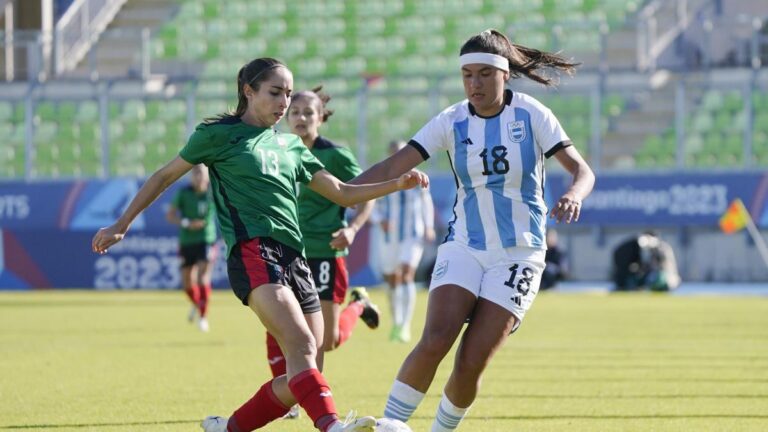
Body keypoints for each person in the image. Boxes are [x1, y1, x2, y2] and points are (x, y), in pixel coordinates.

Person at [91, 57, 429, 432]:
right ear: (248, 91)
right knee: (301, 345)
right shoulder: (218, 135)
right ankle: (332, 426)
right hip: (253, 252)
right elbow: (164, 176)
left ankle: (229, 428)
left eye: (287, 93)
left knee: (305, 368)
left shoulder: (291, 146)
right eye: (276, 93)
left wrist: (396, 184)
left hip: (296, 260)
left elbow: (344, 193)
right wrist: (122, 223)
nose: (284, 102)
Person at [349, 29, 595, 431]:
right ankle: (390, 426)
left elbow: (583, 171)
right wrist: (340, 192)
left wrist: (575, 195)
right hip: (465, 243)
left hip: (520, 254)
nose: (474, 84)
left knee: (470, 361)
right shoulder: (452, 119)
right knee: (435, 338)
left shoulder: (532, 114)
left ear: (504, 75)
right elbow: (391, 167)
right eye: (467, 76)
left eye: (484, 74)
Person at [267, 86, 380, 419]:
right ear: (287, 117)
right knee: (280, 323)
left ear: (320, 118)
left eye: (308, 113)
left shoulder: (335, 156)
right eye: (295, 113)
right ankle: (300, 396)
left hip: (325, 253)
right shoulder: (276, 150)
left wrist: (353, 229)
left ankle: (358, 304)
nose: (301, 118)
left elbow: (363, 194)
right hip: (286, 251)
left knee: (326, 341)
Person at [373, 140, 435, 343]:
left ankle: (404, 325)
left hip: (412, 234)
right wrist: (379, 219)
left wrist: (429, 226)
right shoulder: (383, 177)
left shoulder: (419, 178)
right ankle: (396, 321)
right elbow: (372, 203)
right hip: (389, 237)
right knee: (392, 278)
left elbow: (427, 203)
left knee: (407, 274)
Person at [165, 164, 217, 332]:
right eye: (195, 174)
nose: (198, 177)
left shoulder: (212, 192)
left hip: (206, 239)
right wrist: (187, 223)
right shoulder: (184, 193)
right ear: (191, 176)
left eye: (201, 174)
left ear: (207, 177)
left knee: (203, 278)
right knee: (187, 282)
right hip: (187, 241)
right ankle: (197, 304)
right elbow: (170, 215)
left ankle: (203, 317)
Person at [612, 230, 681, 292]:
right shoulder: (631, 248)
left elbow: (664, 266)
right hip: (624, 263)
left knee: (658, 278)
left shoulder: (662, 249)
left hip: (667, 276)